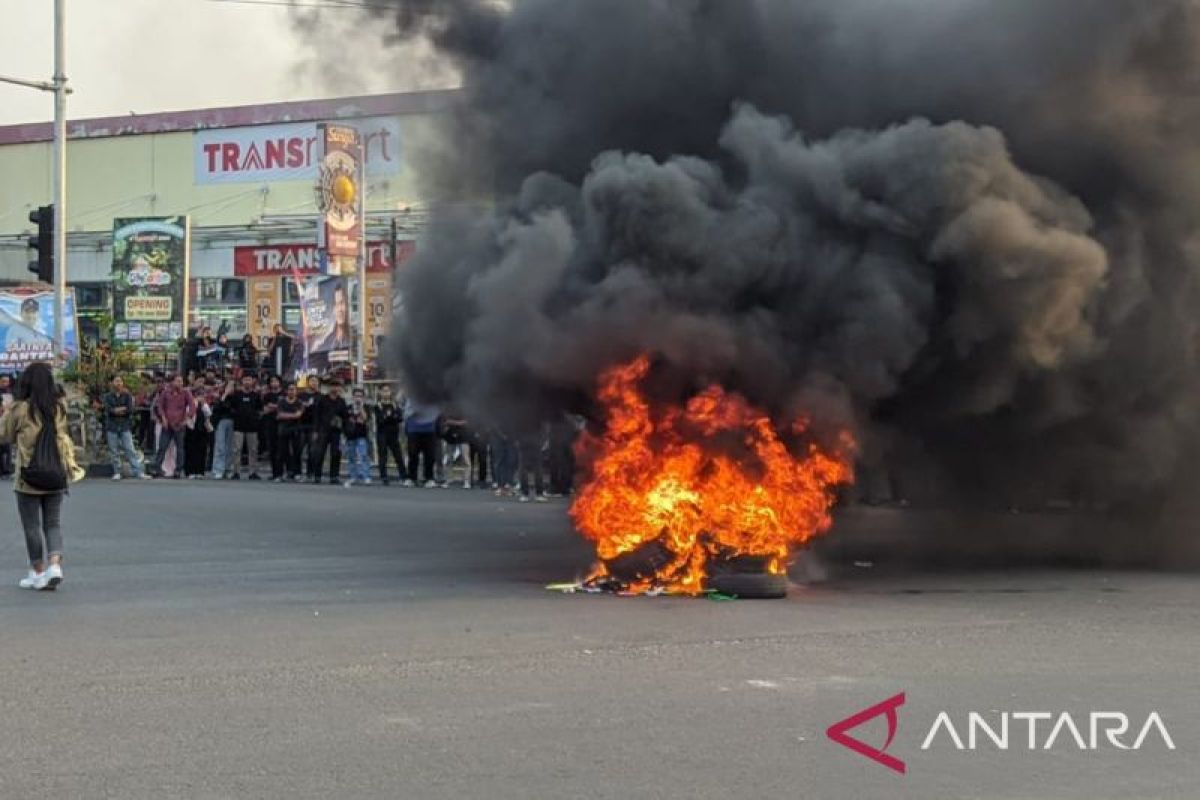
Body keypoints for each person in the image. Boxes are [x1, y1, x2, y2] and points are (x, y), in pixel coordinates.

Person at [0, 362, 85, 590]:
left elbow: (4, 436)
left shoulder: (20, 409)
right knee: (53, 524)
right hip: (56, 474)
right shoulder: (59, 408)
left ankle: (37, 572)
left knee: (32, 526)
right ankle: (55, 565)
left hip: (29, 476)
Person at [152, 374, 195, 479]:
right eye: (178, 381)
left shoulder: (186, 393)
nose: (180, 383)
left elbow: (192, 406)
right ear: (172, 382)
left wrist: (187, 418)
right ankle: (157, 468)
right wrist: (163, 418)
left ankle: (178, 470)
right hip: (167, 425)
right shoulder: (166, 393)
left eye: (181, 381)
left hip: (179, 424)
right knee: (162, 447)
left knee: (180, 448)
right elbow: (159, 406)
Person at [103, 375, 146, 480]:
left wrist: (118, 410)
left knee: (130, 449)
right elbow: (109, 410)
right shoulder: (108, 396)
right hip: (112, 426)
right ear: (112, 383)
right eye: (116, 381)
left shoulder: (127, 396)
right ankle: (117, 472)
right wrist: (118, 410)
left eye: (120, 381)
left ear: (123, 383)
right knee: (114, 450)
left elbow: (130, 409)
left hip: (124, 426)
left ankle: (138, 472)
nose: (118, 383)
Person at [308, 380, 348, 484]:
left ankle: (334, 476)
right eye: (332, 386)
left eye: (337, 386)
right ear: (329, 388)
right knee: (319, 453)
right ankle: (317, 476)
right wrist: (315, 431)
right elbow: (316, 416)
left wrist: (344, 430)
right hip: (323, 430)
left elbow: (345, 417)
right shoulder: (322, 399)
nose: (335, 388)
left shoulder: (341, 401)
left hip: (336, 431)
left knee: (336, 454)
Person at [227, 374, 263, 480]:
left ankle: (253, 472)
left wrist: (255, 418)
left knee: (253, 450)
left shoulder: (256, 395)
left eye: (249, 379)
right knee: (236, 449)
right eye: (245, 380)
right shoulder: (237, 394)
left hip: (252, 426)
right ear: (242, 381)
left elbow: (260, 409)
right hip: (238, 425)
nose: (247, 382)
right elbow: (231, 407)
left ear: (252, 381)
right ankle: (236, 472)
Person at [404, 397, 440, 488]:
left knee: (430, 455)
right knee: (413, 454)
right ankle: (412, 478)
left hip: (429, 428)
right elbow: (406, 411)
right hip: (414, 428)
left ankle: (429, 478)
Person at [273, 382, 304, 481]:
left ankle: (297, 473)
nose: (291, 391)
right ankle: (279, 475)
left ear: (296, 391)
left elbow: (299, 415)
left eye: (293, 389)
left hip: (296, 430)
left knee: (297, 452)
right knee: (281, 452)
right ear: (286, 391)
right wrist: (292, 415)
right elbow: (279, 415)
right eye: (290, 389)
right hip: (283, 429)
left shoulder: (299, 402)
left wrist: (285, 415)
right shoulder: (281, 402)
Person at [375, 384, 405, 485]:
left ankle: (403, 476)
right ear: (380, 392)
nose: (386, 393)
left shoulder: (395, 405)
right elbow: (380, 420)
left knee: (398, 455)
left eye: (388, 391)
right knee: (383, 455)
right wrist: (391, 417)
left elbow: (399, 418)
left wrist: (389, 416)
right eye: (384, 391)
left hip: (393, 434)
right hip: (382, 433)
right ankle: (384, 476)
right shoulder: (378, 405)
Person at [343, 387, 371, 487]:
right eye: (356, 396)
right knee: (351, 457)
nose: (358, 398)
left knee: (363, 455)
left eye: (360, 396)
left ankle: (366, 476)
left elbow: (365, 418)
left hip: (362, 435)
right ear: (353, 397)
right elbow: (346, 420)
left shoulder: (366, 407)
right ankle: (353, 476)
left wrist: (360, 408)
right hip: (350, 435)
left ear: (363, 397)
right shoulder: (348, 407)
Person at [209, 378, 236, 479]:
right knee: (220, 446)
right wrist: (225, 395)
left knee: (230, 447)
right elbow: (217, 408)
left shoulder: (236, 397)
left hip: (233, 422)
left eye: (233, 386)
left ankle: (228, 469)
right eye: (229, 386)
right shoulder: (220, 396)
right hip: (220, 421)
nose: (231, 388)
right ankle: (218, 469)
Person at [260, 376, 282, 468]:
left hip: (283, 424)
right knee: (272, 448)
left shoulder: (284, 393)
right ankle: (275, 472)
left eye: (276, 381)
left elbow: (287, 406)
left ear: (280, 382)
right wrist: (279, 406)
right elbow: (265, 409)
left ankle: (285, 471)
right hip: (270, 423)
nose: (274, 383)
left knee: (282, 448)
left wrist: (272, 406)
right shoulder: (267, 395)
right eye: (272, 381)